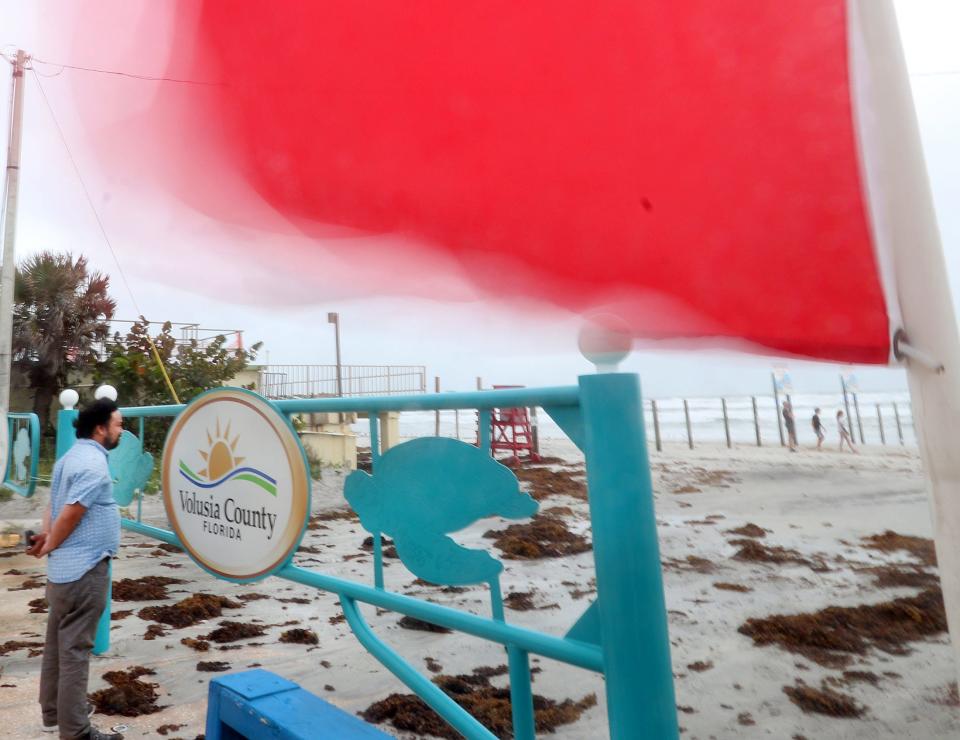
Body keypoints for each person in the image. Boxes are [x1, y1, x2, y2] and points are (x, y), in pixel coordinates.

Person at [27, 399, 124, 740]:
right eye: (117, 424)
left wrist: (46, 539)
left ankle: (54, 714)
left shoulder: (69, 458)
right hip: (84, 572)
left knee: (57, 644)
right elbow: (71, 512)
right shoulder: (93, 466)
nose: (121, 430)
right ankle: (76, 731)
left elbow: (53, 504)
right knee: (75, 652)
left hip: (63, 574)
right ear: (100, 428)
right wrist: (50, 542)